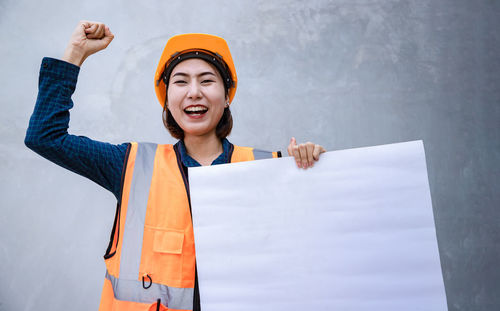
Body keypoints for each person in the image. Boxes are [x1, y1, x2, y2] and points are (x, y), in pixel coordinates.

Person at [25, 21, 326, 311]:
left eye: (207, 80)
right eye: (181, 81)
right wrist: (75, 54)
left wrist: (310, 168)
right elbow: (44, 136)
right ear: (167, 100)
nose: (194, 91)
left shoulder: (270, 169)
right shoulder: (130, 165)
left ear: (227, 96)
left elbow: (316, 254)